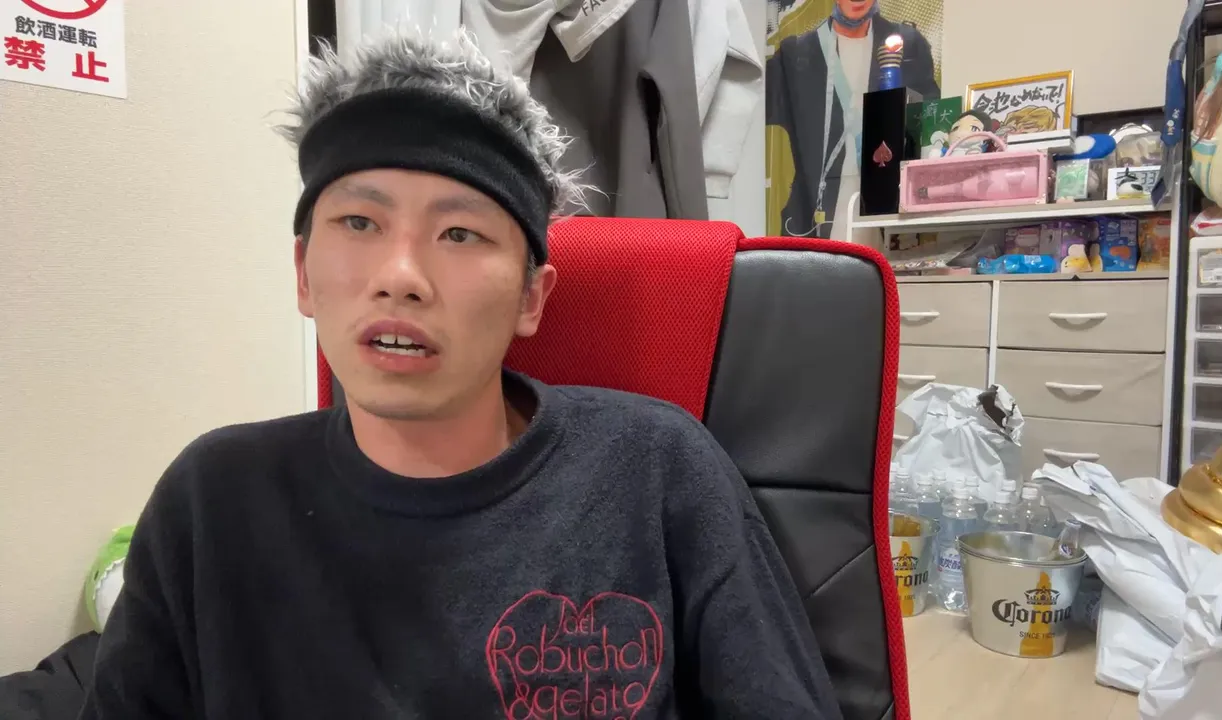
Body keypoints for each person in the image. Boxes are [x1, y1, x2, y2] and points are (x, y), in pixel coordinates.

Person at [78, 30, 843, 720]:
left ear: (531, 297)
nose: (401, 276)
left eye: (459, 233)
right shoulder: (212, 500)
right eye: (359, 222)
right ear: (304, 274)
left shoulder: (656, 468)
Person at [766, 0, 939, 239]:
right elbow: (755, 103)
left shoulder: (908, 44)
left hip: (891, 200)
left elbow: (929, 116)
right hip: (818, 209)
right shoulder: (796, 53)